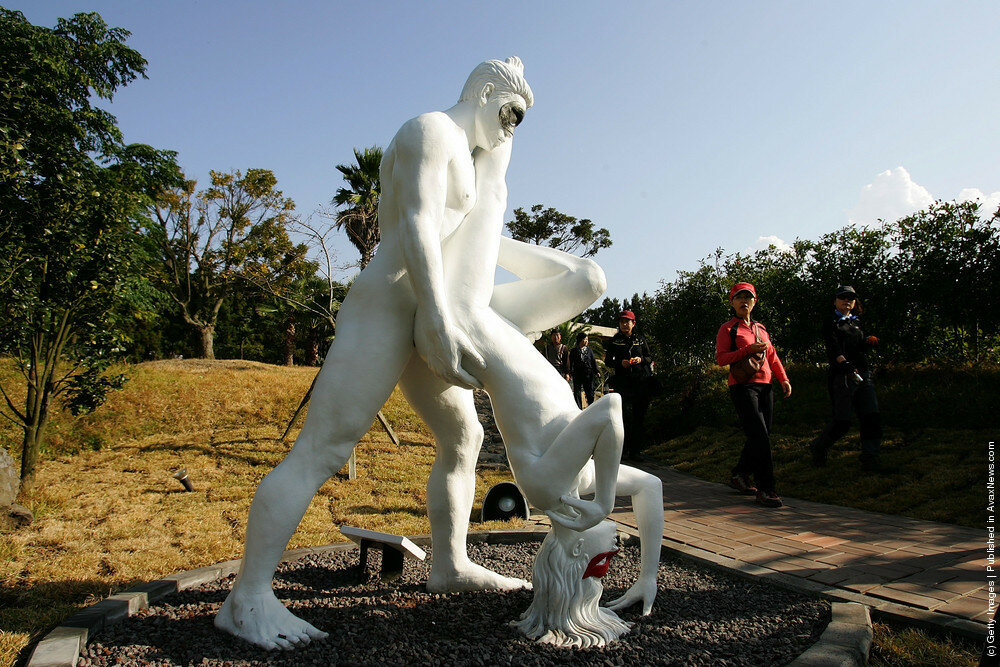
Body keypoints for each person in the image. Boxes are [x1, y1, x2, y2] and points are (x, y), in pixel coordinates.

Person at [715, 282, 792, 508]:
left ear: (754, 302)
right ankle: (766, 489)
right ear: (732, 302)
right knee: (759, 436)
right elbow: (721, 359)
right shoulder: (728, 329)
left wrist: (783, 379)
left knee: (762, 434)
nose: (744, 301)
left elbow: (773, 357)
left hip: (766, 385)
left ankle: (740, 474)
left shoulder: (761, 329)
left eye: (748, 297)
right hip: (742, 386)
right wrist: (748, 350)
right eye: (739, 298)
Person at [809, 285, 894, 473]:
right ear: (835, 301)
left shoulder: (856, 322)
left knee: (871, 415)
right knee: (843, 420)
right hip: (843, 375)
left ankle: (871, 458)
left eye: (851, 298)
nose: (847, 301)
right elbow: (833, 348)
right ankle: (819, 446)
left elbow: (859, 346)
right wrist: (843, 363)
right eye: (843, 298)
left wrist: (868, 342)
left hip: (863, 373)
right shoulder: (831, 322)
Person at [604, 311, 654, 462]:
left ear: (634, 323)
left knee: (639, 417)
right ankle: (623, 450)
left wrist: (641, 359)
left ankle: (636, 451)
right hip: (623, 383)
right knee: (625, 416)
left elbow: (649, 356)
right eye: (622, 322)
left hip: (640, 382)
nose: (624, 324)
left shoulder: (640, 339)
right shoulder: (615, 340)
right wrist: (620, 363)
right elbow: (608, 361)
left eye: (627, 322)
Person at [568, 332, 599, 407]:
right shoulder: (574, 351)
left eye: (587, 340)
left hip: (588, 374)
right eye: (584, 339)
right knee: (577, 392)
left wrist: (597, 371)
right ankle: (579, 408)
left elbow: (593, 361)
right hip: (577, 374)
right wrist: (569, 373)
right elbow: (570, 363)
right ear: (580, 340)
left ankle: (591, 408)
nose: (586, 341)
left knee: (590, 392)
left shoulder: (589, 350)